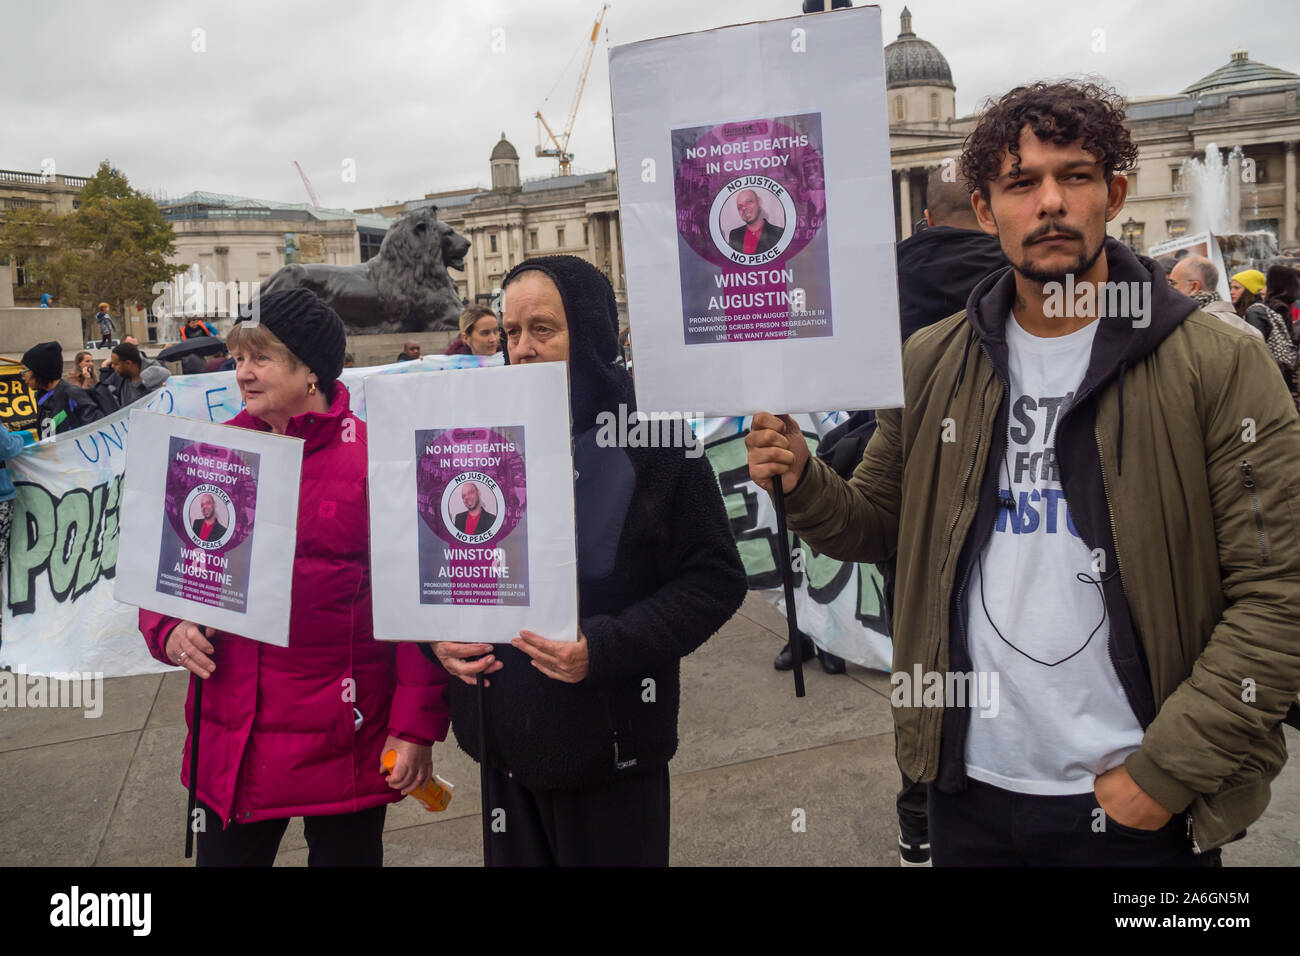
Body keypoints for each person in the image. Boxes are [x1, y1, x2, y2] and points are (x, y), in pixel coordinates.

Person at [747, 79, 1300, 866]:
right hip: (969, 788)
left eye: (1074, 176)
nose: (1049, 203)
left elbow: (1278, 592)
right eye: (1020, 182)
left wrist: (1167, 771)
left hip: (1140, 804)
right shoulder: (932, 359)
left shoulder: (1218, 362)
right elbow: (875, 522)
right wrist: (802, 480)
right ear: (984, 209)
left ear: (1113, 194)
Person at [423, 255, 746, 866]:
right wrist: (435, 641)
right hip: (503, 755)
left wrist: (605, 647)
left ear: (591, 333)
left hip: (612, 757)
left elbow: (715, 579)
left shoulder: (656, 437)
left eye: (542, 329)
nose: (521, 348)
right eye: (511, 331)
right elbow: (434, 570)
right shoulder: (473, 434)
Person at [138, 288, 450, 867]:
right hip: (232, 735)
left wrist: (414, 731)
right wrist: (168, 628)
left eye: (261, 358)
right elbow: (168, 579)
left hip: (345, 738)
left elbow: (416, 609)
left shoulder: (375, 461)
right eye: (237, 359)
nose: (244, 374)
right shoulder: (213, 454)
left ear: (311, 371)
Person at [819, 164, 1006, 866]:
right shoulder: (1035, 280)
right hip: (1012, 491)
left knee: (924, 660)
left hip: (914, 494)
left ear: (924, 215)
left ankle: (919, 819)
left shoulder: (877, 286)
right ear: (987, 212)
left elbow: (855, 398)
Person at [22, 341, 105, 437]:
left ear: (40, 370)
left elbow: (98, 431)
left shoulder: (73, 395)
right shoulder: (41, 396)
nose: (22, 376)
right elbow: (50, 426)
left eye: (24, 370)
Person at [1168, 256, 1261, 338]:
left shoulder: (1190, 329)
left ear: (1194, 287)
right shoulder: (1249, 330)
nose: (1169, 289)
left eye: (1172, 283)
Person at [727, 189, 783, 256]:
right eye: (740, 207)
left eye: (749, 202)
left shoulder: (779, 234)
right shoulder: (734, 235)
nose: (744, 208)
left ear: (759, 201)